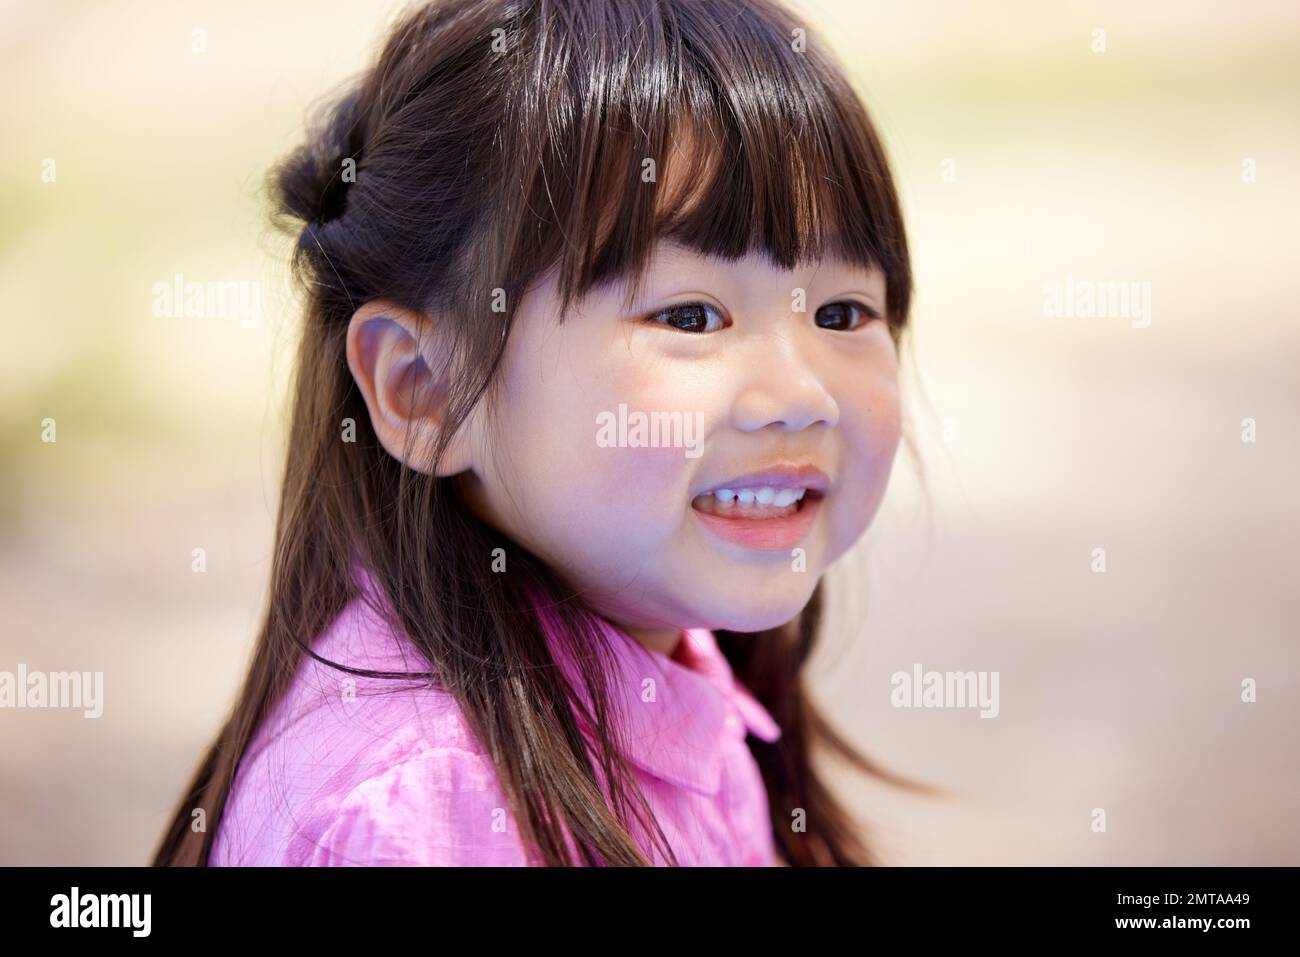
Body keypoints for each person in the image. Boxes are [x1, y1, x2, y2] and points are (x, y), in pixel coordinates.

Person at [153, 0, 919, 867]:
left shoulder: (675, 667)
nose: (801, 393)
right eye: (693, 314)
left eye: (843, 311)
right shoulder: (430, 818)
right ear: (426, 388)